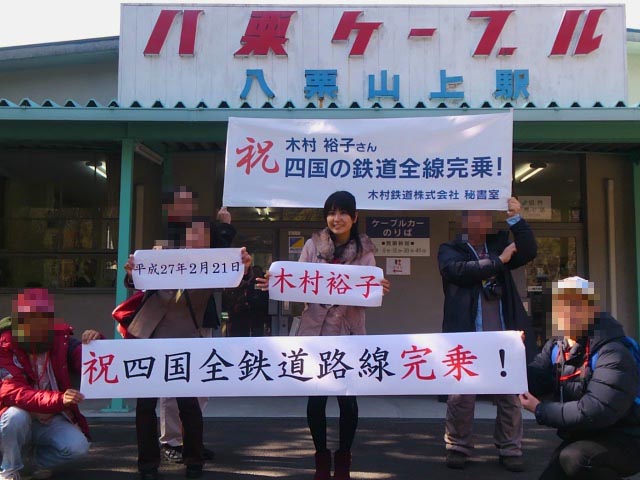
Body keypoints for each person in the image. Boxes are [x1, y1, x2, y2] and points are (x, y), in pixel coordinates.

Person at [257, 191, 390, 480]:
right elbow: (296, 282)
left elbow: (368, 292)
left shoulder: (365, 252)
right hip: (315, 333)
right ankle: (320, 458)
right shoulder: (312, 246)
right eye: (331, 212)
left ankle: (343, 459)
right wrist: (276, 283)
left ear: (354, 217)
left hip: (348, 333)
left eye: (343, 213)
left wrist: (377, 288)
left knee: (347, 400)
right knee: (316, 400)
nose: (336, 218)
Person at [124, 218, 251, 480]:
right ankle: (147, 464)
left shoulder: (212, 265)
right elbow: (135, 281)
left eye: (202, 234)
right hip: (148, 335)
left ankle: (194, 460)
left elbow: (234, 280)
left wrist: (245, 268)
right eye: (191, 232)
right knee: (145, 405)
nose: (195, 237)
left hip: (184, 338)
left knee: (188, 403)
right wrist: (132, 271)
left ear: (210, 240)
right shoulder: (162, 254)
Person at [438, 197, 537, 472]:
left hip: (503, 335)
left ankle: (510, 449)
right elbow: (458, 271)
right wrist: (499, 261)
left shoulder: (498, 242)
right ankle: (457, 446)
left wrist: (516, 218)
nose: (481, 221)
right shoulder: (451, 249)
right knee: (461, 396)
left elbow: (529, 251)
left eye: (486, 216)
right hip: (467, 335)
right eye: (474, 215)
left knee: (509, 395)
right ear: (463, 220)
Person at [520, 276, 640, 479]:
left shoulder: (613, 351)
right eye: (560, 305)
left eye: (576, 305)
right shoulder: (557, 346)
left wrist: (541, 410)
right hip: (588, 434)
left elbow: (596, 411)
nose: (566, 312)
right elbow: (532, 381)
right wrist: (513, 352)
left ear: (593, 310)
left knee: (577, 460)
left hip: (627, 437)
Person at [154, 186, 236, 465]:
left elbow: (226, 264)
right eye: (179, 203)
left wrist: (225, 227)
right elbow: (144, 278)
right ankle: (171, 440)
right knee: (173, 383)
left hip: (203, 320)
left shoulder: (205, 233)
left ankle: (192, 438)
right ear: (168, 208)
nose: (185, 208)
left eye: (190, 203)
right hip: (172, 324)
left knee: (202, 383)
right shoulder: (165, 243)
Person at [0, 288, 102, 480]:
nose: (37, 326)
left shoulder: (61, 340)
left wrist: (95, 344)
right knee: (15, 417)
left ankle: (31, 464)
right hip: (17, 416)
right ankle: (9, 469)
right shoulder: (4, 346)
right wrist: (58, 400)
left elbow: (88, 362)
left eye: (43, 319)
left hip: (51, 416)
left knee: (77, 447)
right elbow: (12, 391)